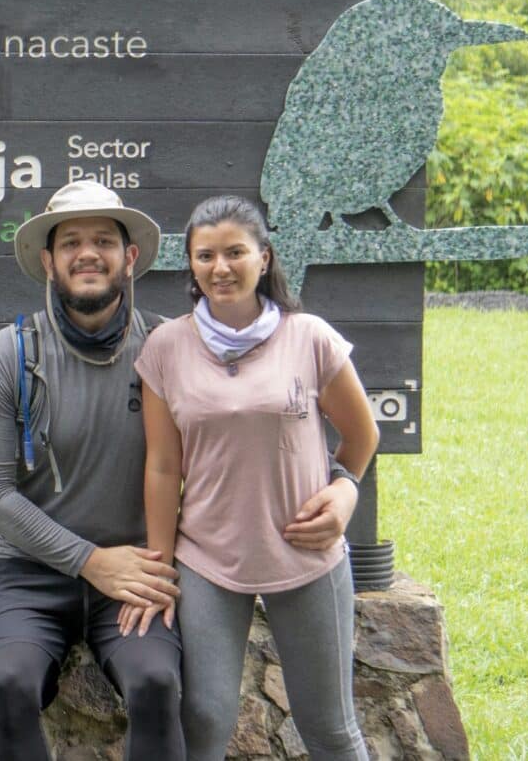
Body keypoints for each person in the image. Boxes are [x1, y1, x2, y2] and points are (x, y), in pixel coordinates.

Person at [127, 194, 379, 760]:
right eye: (205, 255)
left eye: (235, 252)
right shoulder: (166, 347)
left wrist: (345, 488)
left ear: (264, 258)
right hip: (208, 560)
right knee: (204, 720)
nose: (221, 267)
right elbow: (164, 466)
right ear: (190, 265)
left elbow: (363, 437)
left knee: (331, 729)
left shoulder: (310, 337)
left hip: (306, 554)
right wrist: (161, 565)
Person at [0, 180, 186, 761]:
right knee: (10, 683)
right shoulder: (8, 353)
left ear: (129, 256)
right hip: (27, 572)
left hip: (135, 573)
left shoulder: (168, 348)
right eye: (71, 243)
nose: (88, 253)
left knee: (157, 684)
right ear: (48, 261)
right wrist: (90, 561)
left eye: (103, 241)